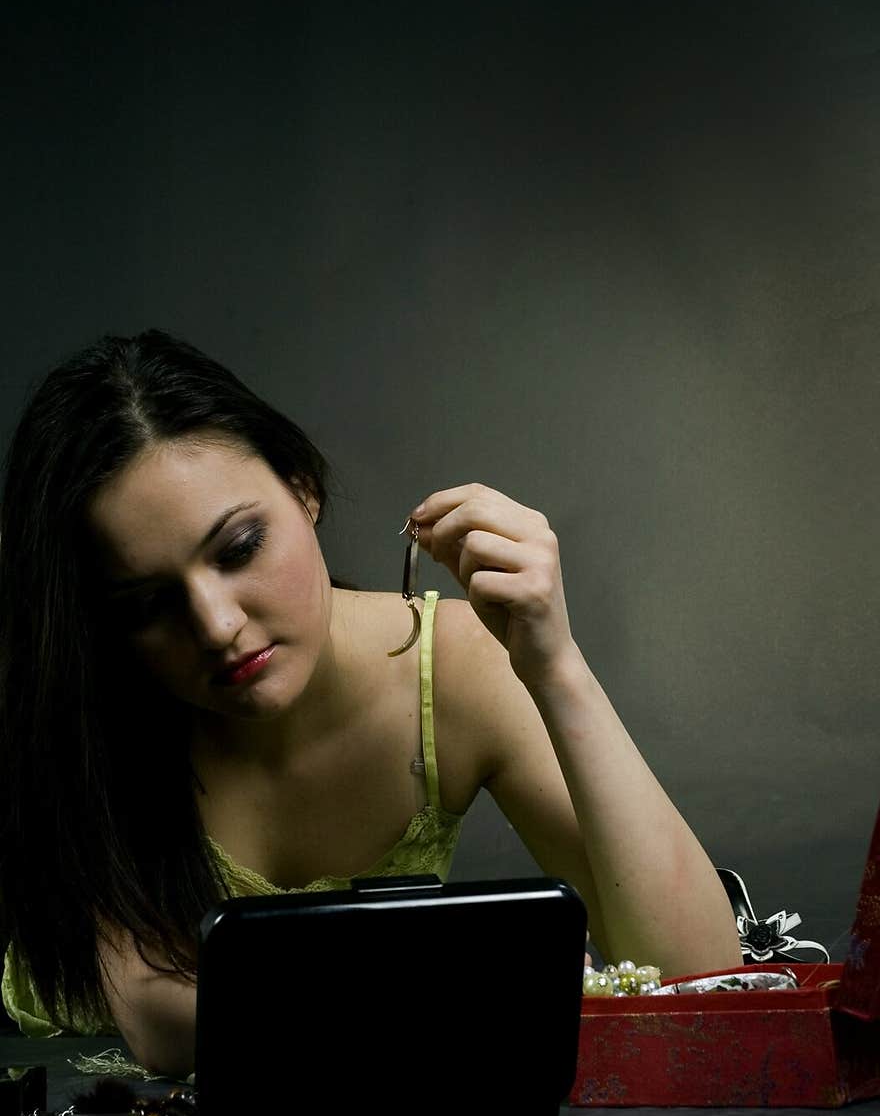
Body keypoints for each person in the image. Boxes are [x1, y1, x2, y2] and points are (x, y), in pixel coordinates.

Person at [0, 330, 741, 1077]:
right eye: (150, 603)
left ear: (303, 488)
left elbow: (701, 977)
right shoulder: (92, 717)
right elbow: (170, 1023)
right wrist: (479, 988)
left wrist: (557, 669)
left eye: (238, 549)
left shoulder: (453, 673)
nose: (217, 626)